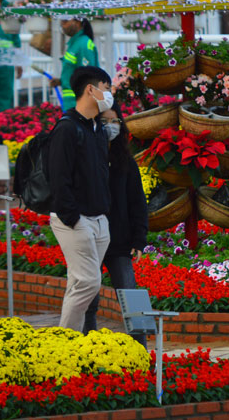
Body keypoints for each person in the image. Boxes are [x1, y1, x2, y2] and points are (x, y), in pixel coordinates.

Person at [48, 66, 114, 332]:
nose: (109, 95)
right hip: (75, 220)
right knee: (88, 282)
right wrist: (73, 218)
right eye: (106, 88)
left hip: (99, 220)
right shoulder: (67, 128)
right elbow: (58, 178)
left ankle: (73, 341)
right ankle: (66, 339)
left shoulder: (97, 129)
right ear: (91, 89)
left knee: (79, 283)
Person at [83, 101, 149, 348]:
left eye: (115, 122)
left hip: (119, 243)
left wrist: (139, 239)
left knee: (131, 297)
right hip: (89, 239)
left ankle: (140, 348)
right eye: (104, 122)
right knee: (89, 298)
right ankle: (88, 344)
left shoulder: (126, 162)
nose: (110, 127)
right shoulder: (88, 158)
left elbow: (137, 202)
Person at [50, 18, 98, 110]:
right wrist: (61, 81)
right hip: (70, 103)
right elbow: (74, 72)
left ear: (78, 22)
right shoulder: (75, 43)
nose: (62, 24)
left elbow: (87, 76)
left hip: (78, 104)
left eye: (66, 21)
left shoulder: (84, 44)